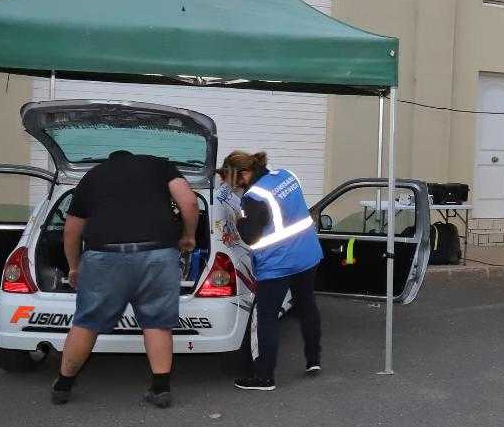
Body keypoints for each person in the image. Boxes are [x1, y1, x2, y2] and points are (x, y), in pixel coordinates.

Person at [51, 150, 198, 407]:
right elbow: (190, 203)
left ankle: (63, 386)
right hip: (157, 254)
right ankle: (160, 389)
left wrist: (74, 267)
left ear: (110, 161)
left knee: (87, 322)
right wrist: (188, 235)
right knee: (157, 322)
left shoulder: (93, 176)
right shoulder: (159, 165)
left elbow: (71, 231)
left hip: (104, 257)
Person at [216, 151, 323, 392]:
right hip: (307, 255)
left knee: (265, 317)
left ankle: (263, 377)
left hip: (277, 264)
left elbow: (251, 237)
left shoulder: (253, 197)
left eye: (233, 180)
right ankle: (313, 360)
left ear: (244, 174)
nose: (234, 186)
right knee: (306, 305)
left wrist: (239, 219)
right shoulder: (286, 175)